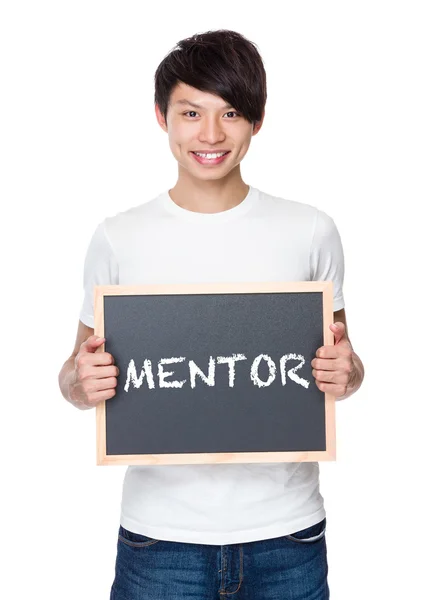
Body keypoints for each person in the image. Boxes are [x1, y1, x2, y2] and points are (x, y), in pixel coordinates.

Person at [58, 28, 364, 600]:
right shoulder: (119, 238)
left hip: (287, 534)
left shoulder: (310, 231)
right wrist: (81, 381)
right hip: (160, 541)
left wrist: (346, 373)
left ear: (257, 119)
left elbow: (344, 364)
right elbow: (74, 374)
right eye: (191, 112)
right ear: (161, 116)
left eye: (230, 113)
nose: (210, 134)